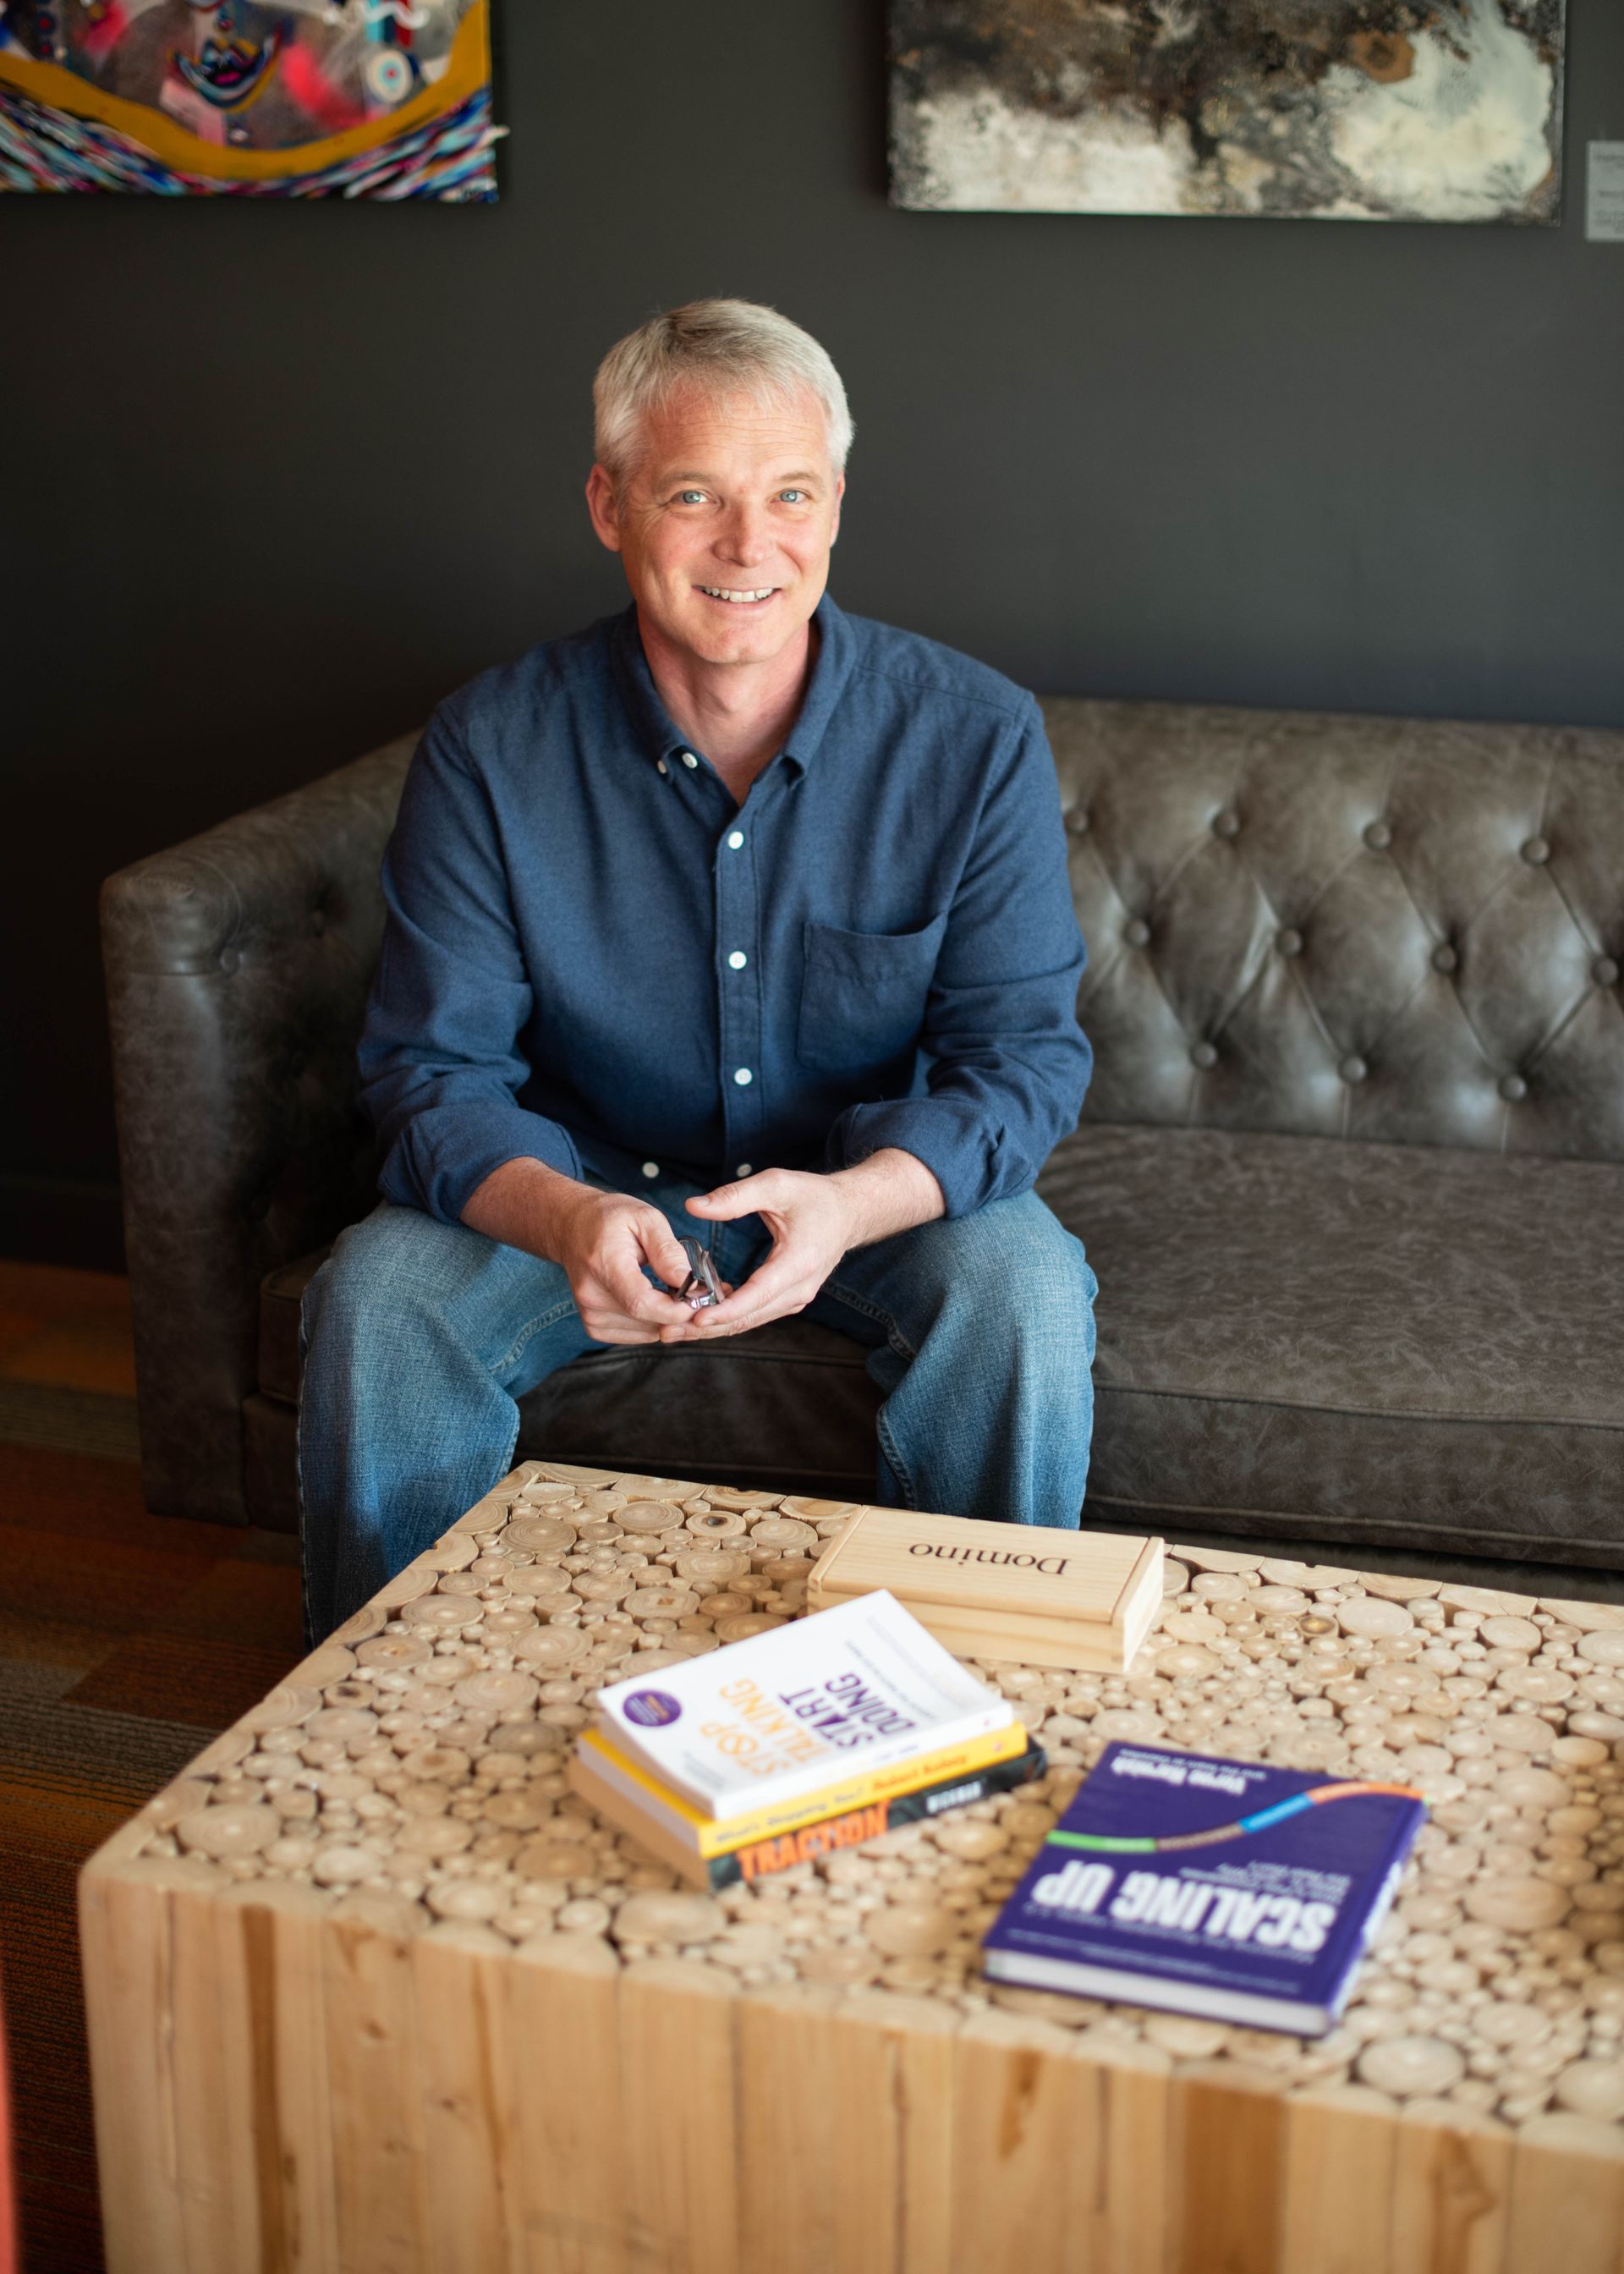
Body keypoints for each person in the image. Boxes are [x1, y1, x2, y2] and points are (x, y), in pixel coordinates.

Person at [298, 298, 1097, 1643]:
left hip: (866, 1188)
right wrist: (562, 1216)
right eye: (693, 495)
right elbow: (431, 1070)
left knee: (1021, 1287)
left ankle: (987, 1690)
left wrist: (850, 1206)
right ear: (609, 505)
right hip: (581, 1179)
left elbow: (1018, 1062)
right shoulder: (492, 747)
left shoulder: (974, 736)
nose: (749, 545)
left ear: (836, 501)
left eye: (790, 493)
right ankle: (369, 1709)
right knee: (379, 1298)